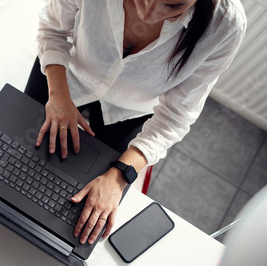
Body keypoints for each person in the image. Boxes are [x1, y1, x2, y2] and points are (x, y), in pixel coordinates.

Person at [25, 0, 246, 245]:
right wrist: (58, 95)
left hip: (128, 110)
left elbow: (177, 115)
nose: (149, 14)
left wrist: (121, 175)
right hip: (65, 75)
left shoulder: (226, 26)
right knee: (18, 150)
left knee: (80, 202)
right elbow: (53, 29)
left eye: (173, 5)